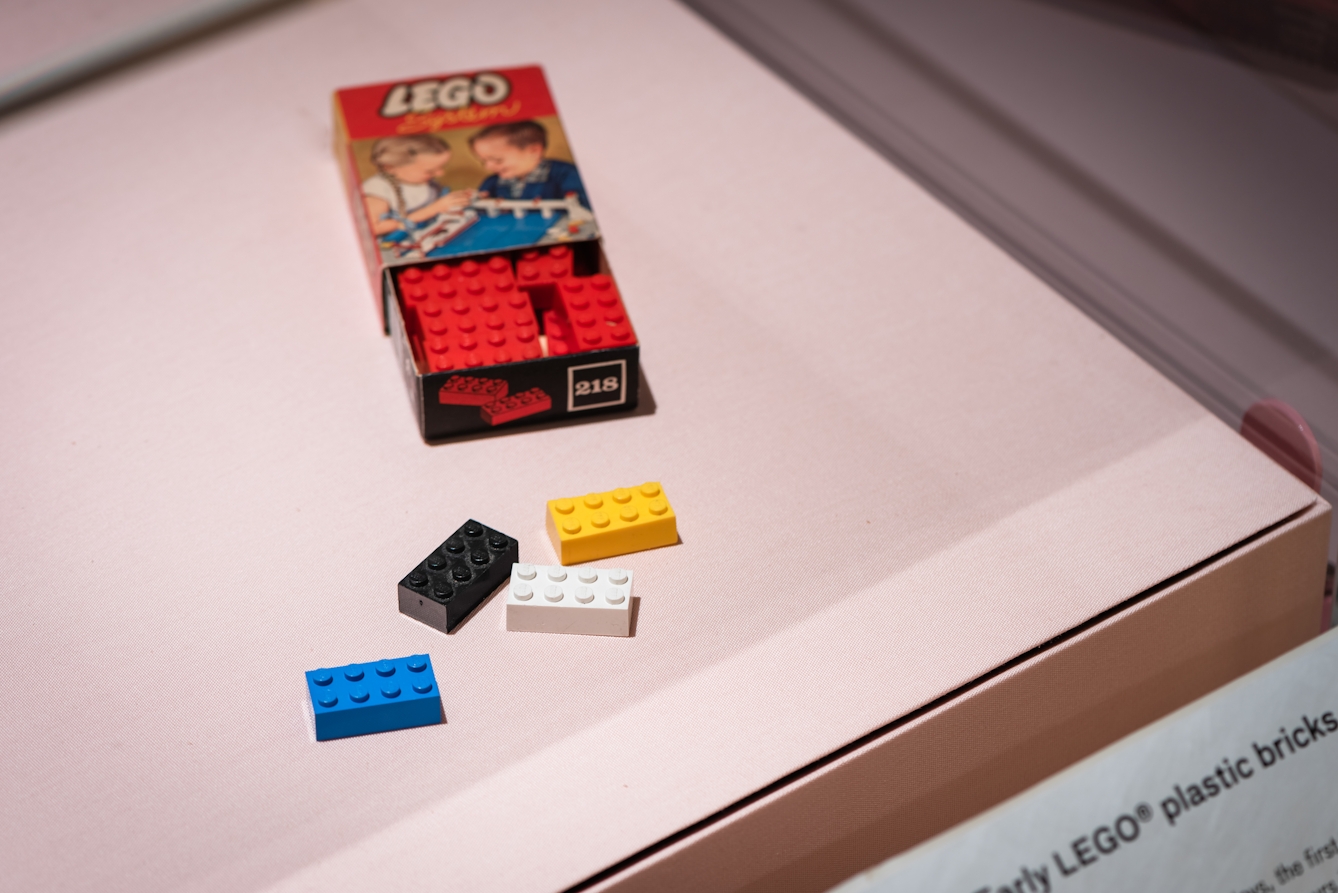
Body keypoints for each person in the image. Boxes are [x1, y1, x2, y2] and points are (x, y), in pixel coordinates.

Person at [362, 134, 473, 236]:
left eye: (442, 167)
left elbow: (441, 202)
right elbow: (373, 228)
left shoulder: (424, 182)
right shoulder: (378, 189)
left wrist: (461, 198)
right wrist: (432, 210)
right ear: (390, 168)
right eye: (430, 171)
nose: (440, 173)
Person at [469, 120, 589, 210]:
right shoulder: (492, 182)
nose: (488, 167)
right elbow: (478, 211)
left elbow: (584, 209)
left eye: (498, 160)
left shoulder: (568, 175)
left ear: (534, 151)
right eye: (483, 161)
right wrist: (479, 202)